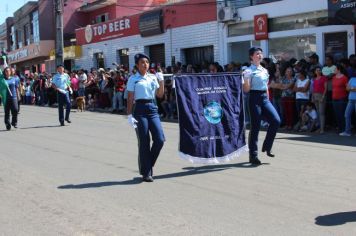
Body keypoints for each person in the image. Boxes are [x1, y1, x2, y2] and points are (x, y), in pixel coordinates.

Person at [126, 53, 165, 182]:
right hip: (140, 109)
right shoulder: (133, 79)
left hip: (152, 108)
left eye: (147, 62)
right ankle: (147, 172)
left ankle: (147, 164)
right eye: (142, 62)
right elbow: (130, 97)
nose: (145, 64)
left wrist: (161, 80)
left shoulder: (152, 77)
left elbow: (159, 95)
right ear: (137, 65)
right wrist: (129, 114)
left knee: (159, 139)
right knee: (144, 141)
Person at [242, 47, 281, 165]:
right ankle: (253, 155)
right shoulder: (248, 70)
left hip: (264, 98)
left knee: (276, 120)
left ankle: (267, 146)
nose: (260, 55)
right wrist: (246, 78)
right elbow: (246, 90)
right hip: (254, 98)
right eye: (257, 54)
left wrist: (268, 100)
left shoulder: (264, 70)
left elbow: (266, 87)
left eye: (260, 53)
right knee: (256, 126)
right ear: (251, 56)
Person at [332, 64, 348, 132]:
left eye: (335, 69)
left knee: (342, 113)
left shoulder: (344, 77)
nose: (334, 70)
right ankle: (339, 127)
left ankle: (344, 128)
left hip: (342, 98)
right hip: (334, 97)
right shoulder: (334, 77)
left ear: (338, 70)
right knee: (336, 113)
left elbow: (347, 88)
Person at [311, 67, 327, 133]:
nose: (318, 71)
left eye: (319, 70)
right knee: (318, 112)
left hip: (321, 95)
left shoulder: (324, 78)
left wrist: (323, 97)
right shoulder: (314, 79)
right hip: (315, 95)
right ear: (315, 72)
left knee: (321, 113)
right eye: (317, 70)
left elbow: (325, 88)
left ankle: (322, 129)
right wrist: (312, 97)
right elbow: (313, 89)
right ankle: (319, 128)